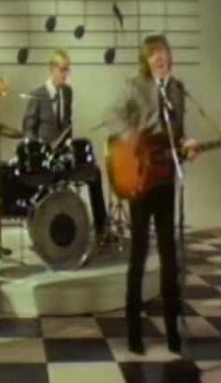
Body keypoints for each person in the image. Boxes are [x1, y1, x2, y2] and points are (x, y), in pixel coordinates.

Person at [108, 34, 199, 354]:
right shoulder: (134, 86)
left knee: (169, 253)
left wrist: (187, 145)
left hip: (165, 177)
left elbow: (177, 133)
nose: (159, 57)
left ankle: (172, 328)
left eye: (163, 52)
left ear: (169, 56)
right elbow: (113, 117)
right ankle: (133, 329)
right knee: (138, 251)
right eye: (153, 54)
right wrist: (129, 134)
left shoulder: (177, 89)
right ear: (146, 61)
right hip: (139, 176)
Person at [22, 49, 108, 240]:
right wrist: (39, 150)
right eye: (62, 69)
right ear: (52, 69)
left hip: (62, 156)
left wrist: (68, 145)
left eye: (67, 69)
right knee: (50, 177)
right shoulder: (37, 94)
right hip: (45, 160)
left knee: (94, 172)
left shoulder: (67, 92)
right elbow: (28, 129)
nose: (65, 74)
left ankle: (102, 228)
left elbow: (67, 125)